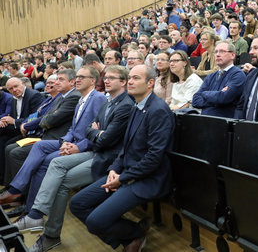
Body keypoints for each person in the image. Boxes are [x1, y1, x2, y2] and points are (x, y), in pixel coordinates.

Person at [15, 65, 133, 252]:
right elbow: (89, 129)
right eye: (106, 77)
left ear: (123, 82)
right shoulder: (106, 102)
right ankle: (42, 224)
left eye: (112, 77)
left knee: (54, 166)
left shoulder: (120, 103)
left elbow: (104, 138)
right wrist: (86, 135)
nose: (107, 80)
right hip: (94, 150)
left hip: (106, 158)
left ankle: (40, 220)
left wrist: (91, 135)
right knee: (56, 169)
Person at [69, 65, 175, 251]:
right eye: (130, 78)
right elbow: (125, 147)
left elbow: (154, 157)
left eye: (136, 78)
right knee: (77, 204)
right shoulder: (136, 106)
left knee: (95, 221)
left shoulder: (158, 110)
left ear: (150, 83)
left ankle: (135, 232)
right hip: (126, 173)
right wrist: (114, 169)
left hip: (147, 179)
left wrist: (122, 178)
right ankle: (130, 237)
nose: (131, 82)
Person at [0, 66, 106, 211]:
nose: (55, 83)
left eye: (60, 79)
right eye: (77, 77)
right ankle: (15, 189)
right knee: (29, 147)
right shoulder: (80, 98)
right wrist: (65, 141)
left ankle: (32, 209)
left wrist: (75, 145)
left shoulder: (94, 98)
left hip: (79, 145)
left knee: (35, 158)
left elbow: (96, 130)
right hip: (65, 139)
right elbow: (72, 128)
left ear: (93, 80)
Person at [0, 77, 45, 183]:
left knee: (8, 146)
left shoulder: (34, 95)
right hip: (18, 130)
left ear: (23, 84)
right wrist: (6, 120)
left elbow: (35, 119)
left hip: (32, 132)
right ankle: (4, 180)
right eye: (10, 89)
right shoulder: (13, 99)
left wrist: (15, 121)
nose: (14, 90)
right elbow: (11, 117)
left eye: (16, 86)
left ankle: (12, 184)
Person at [192, 41, 246, 117]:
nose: (217, 55)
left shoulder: (238, 75)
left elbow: (223, 98)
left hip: (224, 123)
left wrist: (204, 94)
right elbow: (195, 100)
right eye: (216, 52)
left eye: (222, 52)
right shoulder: (210, 76)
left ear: (232, 55)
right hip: (205, 121)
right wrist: (217, 98)